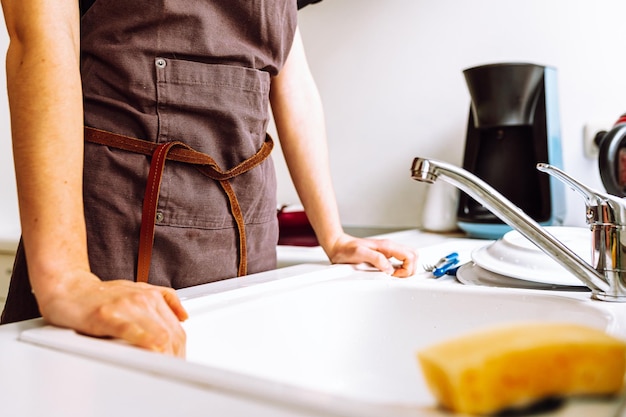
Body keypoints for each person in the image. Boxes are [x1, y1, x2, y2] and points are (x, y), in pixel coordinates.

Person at [0, 0, 418, 357]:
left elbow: (290, 75)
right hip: (119, 222)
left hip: (248, 236)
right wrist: (65, 280)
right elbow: (39, 38)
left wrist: (335, 235)